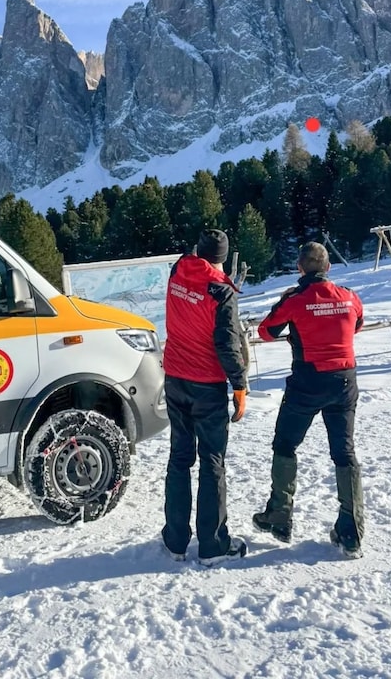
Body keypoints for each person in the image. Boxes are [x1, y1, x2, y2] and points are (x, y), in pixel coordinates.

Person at [253, 241, 365, 557]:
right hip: (344, 380)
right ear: (328, 267)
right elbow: (357, 324)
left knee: (285, 443)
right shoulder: (349, 296)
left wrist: (295, 321)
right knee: (344, 452)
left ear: (300, 269)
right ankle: (351, 530)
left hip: (307, 381)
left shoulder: (295, 299)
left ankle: (279, 515)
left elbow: (265, 331)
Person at [161, 228, 248, 565]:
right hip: (207, 384)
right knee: (212, 461)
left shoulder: (178, 270)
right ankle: (212, 545)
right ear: (223, 258)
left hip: (175, 378)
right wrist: (239, 384)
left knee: (180, 458)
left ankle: (176, 540)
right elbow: (227, 344)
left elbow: (188, 255)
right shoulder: (221, 291)